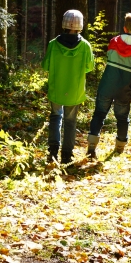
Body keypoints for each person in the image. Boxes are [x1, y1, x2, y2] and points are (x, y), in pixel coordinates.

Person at [87, 12, 131, 158]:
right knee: (122, 118)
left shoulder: (114, 42)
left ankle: (91, 147)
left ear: (125, 28)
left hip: (106, 86)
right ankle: (119, 148)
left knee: (99, 115)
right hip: (124, 90)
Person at [42, 10, 94, 164]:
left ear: (64, 24)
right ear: (80, 26)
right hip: (75, 90)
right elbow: (89, 67)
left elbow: (45, 66)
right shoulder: (85, 46)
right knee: (71, 122)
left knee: (56, 117)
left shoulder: (53, 44)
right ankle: (67, 155)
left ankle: (52, 152)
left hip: (56, 89)